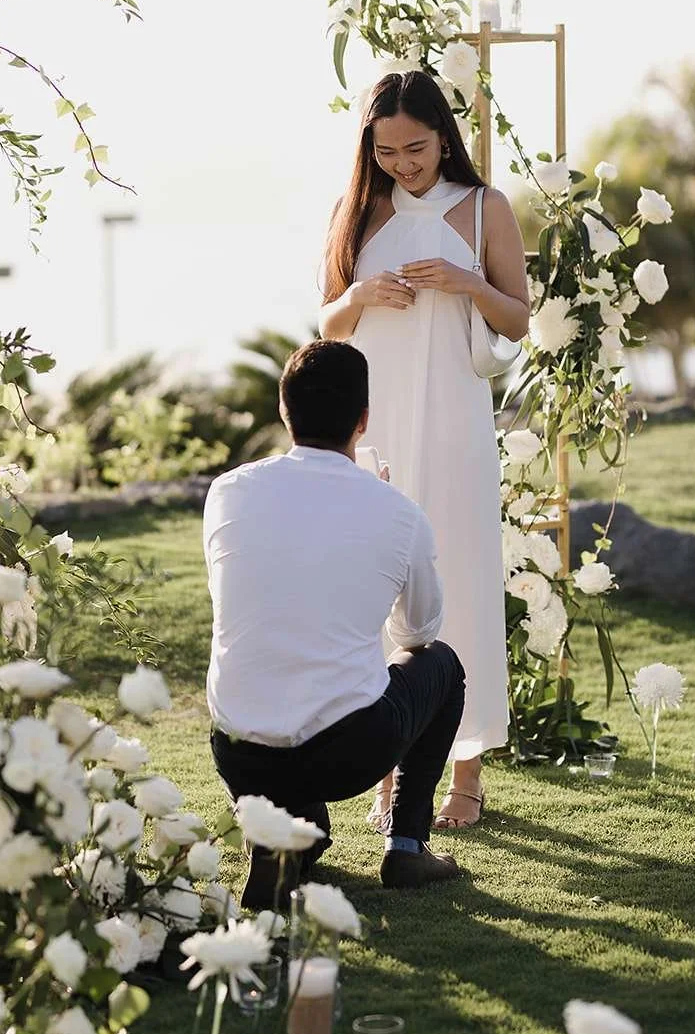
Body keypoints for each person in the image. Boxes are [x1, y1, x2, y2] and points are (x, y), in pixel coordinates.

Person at [319, 70, 529, 829]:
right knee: (375, 589)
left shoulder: (483, 208)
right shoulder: (357, 210)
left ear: (444, 135)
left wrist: (466, 282)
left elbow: (518, 321)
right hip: (376, 423)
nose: (402, 164)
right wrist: (360, 296)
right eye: (386, 152)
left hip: (454, 425)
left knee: (460, 582)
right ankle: (384, 774)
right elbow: (326, 323)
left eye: (414, 147)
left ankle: (464, 774)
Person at [206, 339, 466, 910]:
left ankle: (282, 847)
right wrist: (386, 512)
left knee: (297, 781)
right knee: (444, 665)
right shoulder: (398, 512)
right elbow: (418, 634)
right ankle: (406, 847)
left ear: (284, 409)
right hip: (346, 752)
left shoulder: (225, 494)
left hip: (240, 750)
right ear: (364, 419)